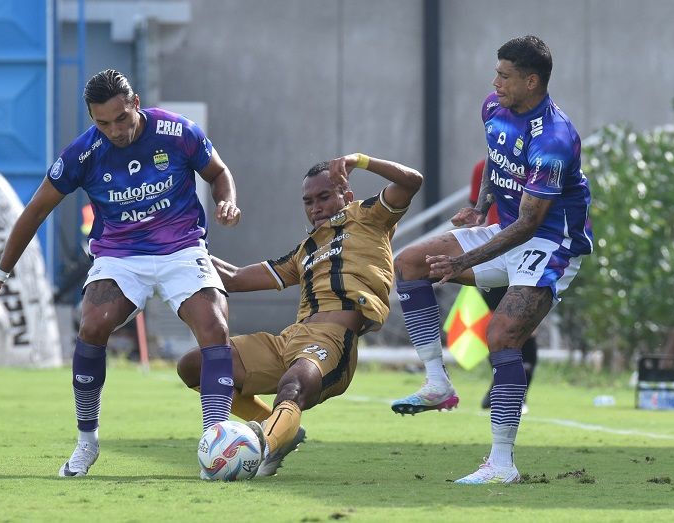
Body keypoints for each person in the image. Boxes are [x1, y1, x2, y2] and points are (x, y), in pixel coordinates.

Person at [0, 69, 242, 478]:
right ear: (92, 119)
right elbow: (36, 210)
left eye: (121, 118)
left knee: (214, 325)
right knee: (92, 326)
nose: (115, 130)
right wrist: (0, 274)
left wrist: (226, 201)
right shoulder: (82, 154)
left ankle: (215, 442)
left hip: (181, 247)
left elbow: (218, 173)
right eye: (103, 123)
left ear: (136, 104)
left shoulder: (177, 132)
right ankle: (87, 442)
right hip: (120, 255)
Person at [390, 35, 593, 484]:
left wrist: (463, 262)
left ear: (531, 81)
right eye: (496, 73)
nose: (495, 82)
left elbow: (530, 224)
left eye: (504, 75)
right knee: (410, 262)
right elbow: (495, 155)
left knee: (501, 335)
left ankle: (502, 464)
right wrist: (480, 206)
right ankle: (437, 383)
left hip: (551, 243)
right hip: (507, 229)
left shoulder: (555, 139)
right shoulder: (494, 107)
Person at [177, 153, 422, 477]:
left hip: (332, 340)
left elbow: (411, 181)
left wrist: (360, 160)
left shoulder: (369, 216)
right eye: (308, 201)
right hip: (288, 341)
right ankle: (278, 428)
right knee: (194, 365)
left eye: (324, 197)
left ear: (346, 195)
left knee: (292, 387)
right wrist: (182, 249)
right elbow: (234, 278)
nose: (315, 207)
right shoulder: (304, 250)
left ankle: (259, 448)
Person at [469, 158, 539, 412]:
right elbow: (477, 207)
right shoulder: (484, 167)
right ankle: (500, 385)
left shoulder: (541, 162)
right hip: (495, 253)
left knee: (523, 326)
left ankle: (519, 393)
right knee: (496, 326)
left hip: (530, 251)